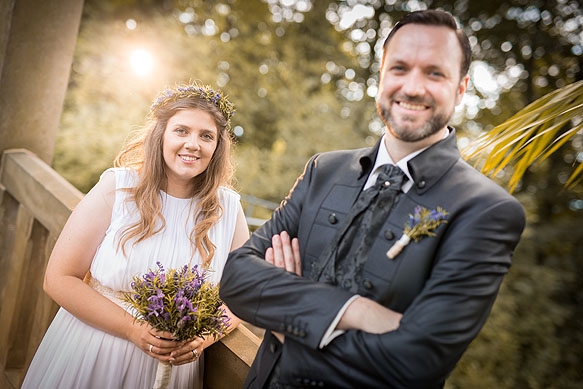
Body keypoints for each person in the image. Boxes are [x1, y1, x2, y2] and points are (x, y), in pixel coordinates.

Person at [220, 10, 526, 388]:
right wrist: (354, 311)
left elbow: (415, 362)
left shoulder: (487, 210)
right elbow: (235, 278)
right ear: (381, 76)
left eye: (434, 73)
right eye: (399, 68)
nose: (413, 87)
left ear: (460, 88)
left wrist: (286, 322)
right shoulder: (323, 170)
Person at [22, 82, 250, 388]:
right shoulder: (118, 188)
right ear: (161, 135)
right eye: (181, 130)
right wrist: (134, 330)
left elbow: (245, 295)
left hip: (174, 372)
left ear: (217, 147)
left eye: (206, 136)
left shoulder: (229, 209)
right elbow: (59, 278)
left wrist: (204, 339)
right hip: (93, 352)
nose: (193, 144)